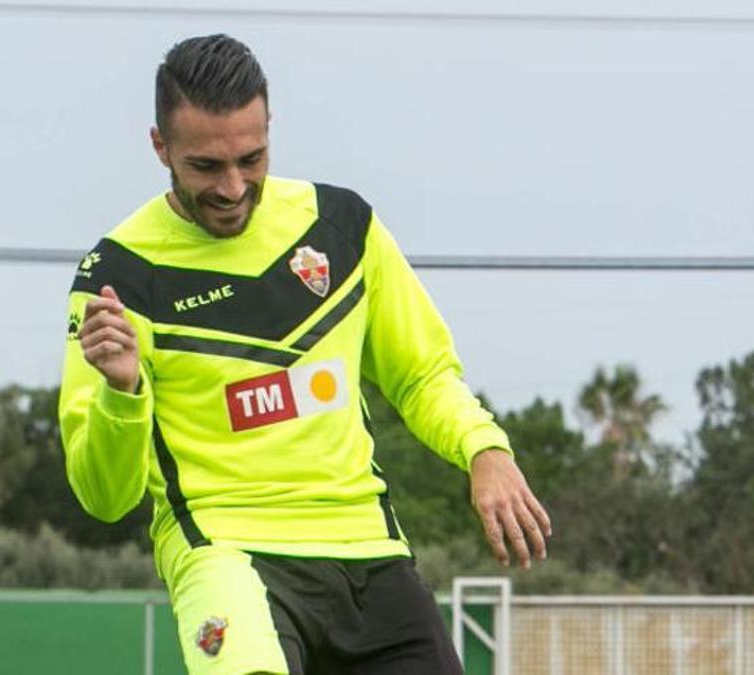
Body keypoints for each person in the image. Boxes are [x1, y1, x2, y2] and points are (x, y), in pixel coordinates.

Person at [59, 34, 551, 675]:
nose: (234, 187)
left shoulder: (340, 228)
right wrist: (121, 393)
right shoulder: (118, 275)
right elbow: (104, 496)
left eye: (252, 159)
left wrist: (484, 450)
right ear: (161, 147)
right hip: (224, 549)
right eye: (207, 166)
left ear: (269, 130)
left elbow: (423, 374)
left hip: (367, 549)